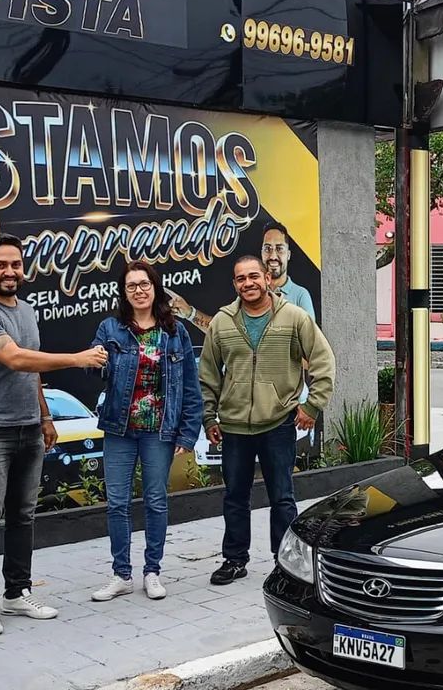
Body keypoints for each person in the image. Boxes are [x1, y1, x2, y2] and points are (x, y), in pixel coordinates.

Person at [0, 233, 108, 636]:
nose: (10, 272)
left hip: (27, 428)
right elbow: (15, 358)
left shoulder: (26, 310)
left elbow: (33, 370)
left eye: (16, 264)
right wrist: (77, 359)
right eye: (1, 265)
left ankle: (16, 593)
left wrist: (45, 417)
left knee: (23, 515)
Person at [200, 256, 335, 585]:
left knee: (282, 497)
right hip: (233, 427)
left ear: (268, 279)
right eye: (241, 279)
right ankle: (234, 560)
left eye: (253, 276)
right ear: (234, 285)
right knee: (234, 497)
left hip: (278, 423)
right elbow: (207, 374)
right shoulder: (222, 322)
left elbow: (323, 361)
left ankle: (285, 562)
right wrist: (208, 417)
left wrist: (312, 406)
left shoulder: (293, 317)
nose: (248, 283)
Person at [90, 261, 203, 603]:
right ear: (123, 293)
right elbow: (93, 371)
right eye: (131, 286)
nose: (139, 290)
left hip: (159, 430)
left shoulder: (174, 332)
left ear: (155, 287)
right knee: (117, 503)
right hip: (119, 429)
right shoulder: (110, 328)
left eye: (144, 284)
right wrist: (95, 362)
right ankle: (121, 575)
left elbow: (190, 387)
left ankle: (152, 571)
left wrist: (188, 433)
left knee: (155, 501)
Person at [261, 222, 316, 319]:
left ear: (288, 255)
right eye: (267, 248)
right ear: (261, 253)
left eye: (279, 249)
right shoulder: (252, 292)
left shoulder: (300, 296)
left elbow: (309, 333)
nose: (273, 256)